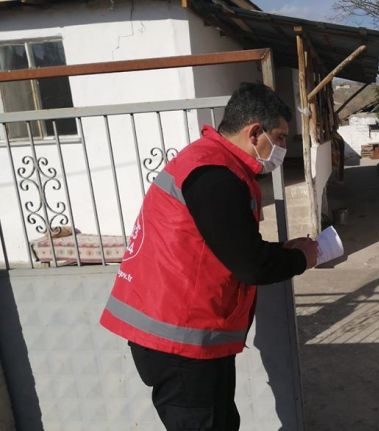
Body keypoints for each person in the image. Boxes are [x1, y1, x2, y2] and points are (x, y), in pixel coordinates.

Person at [99, 83, 318, 430]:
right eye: (280, 137)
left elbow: (228, 246)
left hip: (187, 336)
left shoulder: (210, 162)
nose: (282, 149)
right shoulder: (215, 175)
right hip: (179, 343)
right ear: (255, 132)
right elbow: (250, 264)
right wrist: (302, 259)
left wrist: (281, 251)